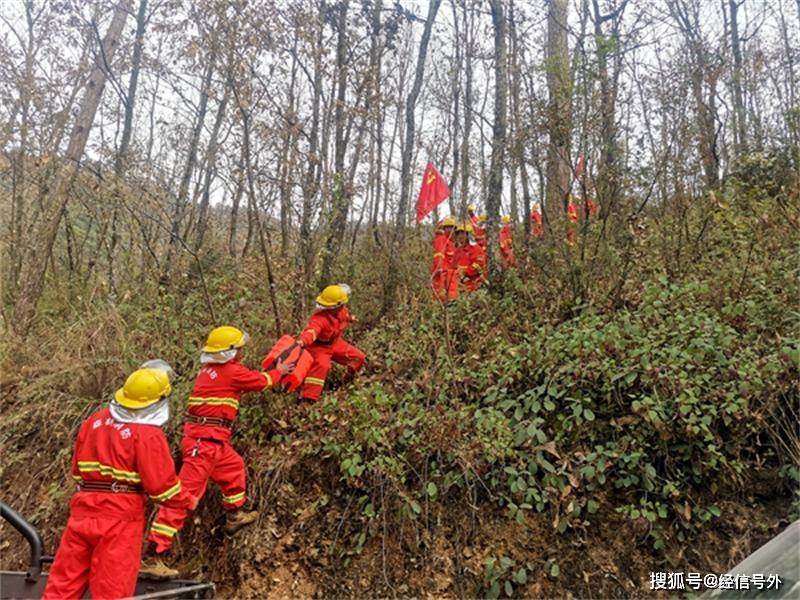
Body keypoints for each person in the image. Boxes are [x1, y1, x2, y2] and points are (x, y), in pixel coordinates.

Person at [143, 327, 291, 578]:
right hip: (204, 443)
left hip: (211, 441)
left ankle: (235, 514)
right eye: (239, 348)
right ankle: (153, 554)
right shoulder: (232, 372)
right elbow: (261, 381)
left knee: (233, 468)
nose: (242, 352)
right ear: (230, 352)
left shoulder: (207, 371)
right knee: (183, 496)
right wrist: (280, 372)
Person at [43, 362, 198, 599]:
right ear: (158, 400)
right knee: (112, 590)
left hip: (82, 512)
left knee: (62, 586)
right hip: (120, 519)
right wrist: (188, 501)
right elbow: (161, 488)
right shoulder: (147, 434)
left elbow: (77, 471)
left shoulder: (94, 421)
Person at [297, 284, 365, 403]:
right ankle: (308, 399)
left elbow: (345, 317)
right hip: (318, 347)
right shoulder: (319, 319)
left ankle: (347, 381)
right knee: (322, 366)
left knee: (358, 357)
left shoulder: (341, 311)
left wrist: (351, 318)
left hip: (335, 343)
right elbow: (311, 331)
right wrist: (302, 341)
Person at [431, 216, 458, 301]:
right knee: (441, 298)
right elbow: (439, 255)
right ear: (444, 228)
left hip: (450, 276)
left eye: (452, 228)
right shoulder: (441, 239)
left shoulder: (450, 242)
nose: (450, 230)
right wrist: (439, 269)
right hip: (442, 275)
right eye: (448, 227)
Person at [453, 223, 486, 292]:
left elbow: (478, 265)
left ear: (469, 235)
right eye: (459, 234)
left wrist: (465, 272)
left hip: (474, 284)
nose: (460, 236)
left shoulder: (476, 249)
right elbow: (453, 266)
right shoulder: (457, 251)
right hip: (459, 284)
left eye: (463, 233)